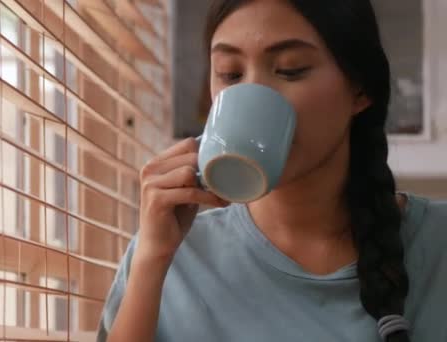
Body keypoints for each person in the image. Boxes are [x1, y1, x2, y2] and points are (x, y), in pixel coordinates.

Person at [97, 0, 447, 341]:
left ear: (360, 88)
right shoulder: (169, 254)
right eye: (230, 74)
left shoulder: (436, 242)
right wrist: (151, 261)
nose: (252, 93)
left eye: (290, 69)